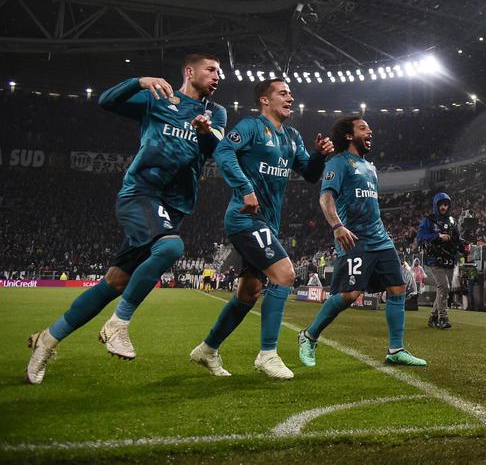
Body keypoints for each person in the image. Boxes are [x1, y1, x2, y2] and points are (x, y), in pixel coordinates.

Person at [26, 54, 226, 384]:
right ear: (189, 71)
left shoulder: (215, 112)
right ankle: (118, 324)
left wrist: (206, 132)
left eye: (220, 71)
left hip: (174, 206)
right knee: (171, 248)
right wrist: (138, 81)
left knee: (115, 282)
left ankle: (46, 340)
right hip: (142, 193)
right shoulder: (156, 98)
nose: (218, 76)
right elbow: (106, 101)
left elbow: (214, 146)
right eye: (211, 69)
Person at [189, 78, 330, 379]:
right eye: (283, 93)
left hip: (267, 223)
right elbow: (224, 152)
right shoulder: (251, 128)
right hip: (244, 218)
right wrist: (245, 188)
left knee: (249, 292)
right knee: (285, 274)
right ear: (265, 100)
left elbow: (309, 173)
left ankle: (207, 349)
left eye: (291, 93)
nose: (290, 97)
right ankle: (267, 354)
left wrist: (320, 154)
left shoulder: (292, 137)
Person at [297, 118, 427, 369]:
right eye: (364, 128)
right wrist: (337, 226)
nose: (370, 131)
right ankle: (309, 336)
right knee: (349, 295)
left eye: (370, 128)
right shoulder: (337, 162)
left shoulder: (370, 167)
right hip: (353, 239)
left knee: (398, 288)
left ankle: (396, 350)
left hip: (380, 239)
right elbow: (326, 199)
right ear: (348, 135)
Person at [417, 192, 459, 329]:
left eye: (446, 204)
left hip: (450, 258)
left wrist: (464, 245)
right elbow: (421, 236)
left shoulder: (452, 221)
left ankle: (433, 316)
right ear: (436, 205)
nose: (443, 207)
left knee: (443, 290)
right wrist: (438, 236)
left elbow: (457, 238)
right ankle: (443, 317)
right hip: (434, 258)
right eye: (441, 204)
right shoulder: (428, 221)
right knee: (444, 287)